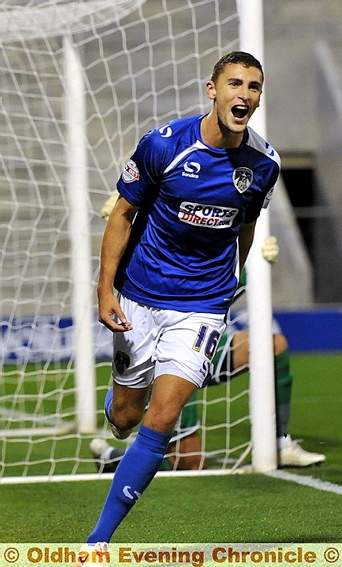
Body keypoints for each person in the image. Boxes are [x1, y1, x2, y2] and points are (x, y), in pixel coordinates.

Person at [75, 50, 281, 562]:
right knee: (126, 416)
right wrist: (105, 291)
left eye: (253, 87)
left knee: (163, 417)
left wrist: (233, 280)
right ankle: (120, 407)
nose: (245, 95)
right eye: (235, 84)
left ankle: (97, 542)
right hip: (139, 298)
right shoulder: (163, 146)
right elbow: (122, 214)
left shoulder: (264, 164)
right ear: (212, 91)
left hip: (203, 307)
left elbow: (247, 224)